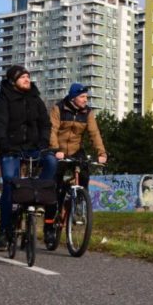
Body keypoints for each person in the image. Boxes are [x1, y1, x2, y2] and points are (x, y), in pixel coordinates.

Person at [0, 65, 55, 251]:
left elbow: (45, 124)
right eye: (22, 77)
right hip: (11, 148)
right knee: (10, 183)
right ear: (13, 81)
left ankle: (39, 194)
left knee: (51, 161)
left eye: (28, 76)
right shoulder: (3, 99)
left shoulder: (36, 99)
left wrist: (44, 142)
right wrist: (3, 144)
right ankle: (3, 231)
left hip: (34, 148)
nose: (27, 79)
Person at [47, 83, 107, 244]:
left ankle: (79, 201)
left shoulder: (88, 113)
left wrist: (101, 153)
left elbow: (95, 133)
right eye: (82, 97)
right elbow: (52, 130)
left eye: (87, 97)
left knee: (85, 173)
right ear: (74, 98)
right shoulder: (58, 109)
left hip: (76, 150)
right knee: (55, 185)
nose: (86, 100)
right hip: (58, 149)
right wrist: (55, 149)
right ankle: (53, 220)